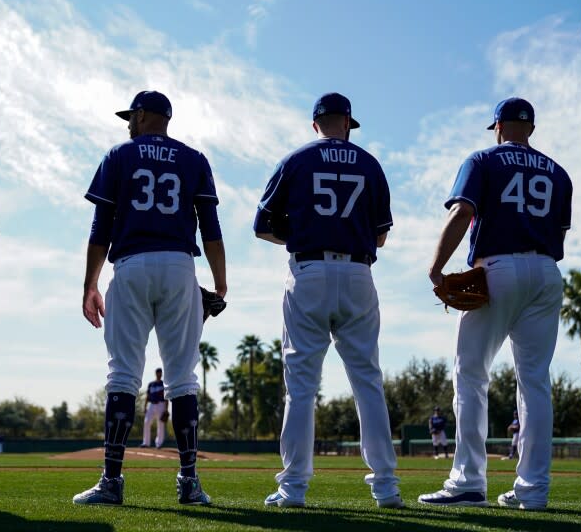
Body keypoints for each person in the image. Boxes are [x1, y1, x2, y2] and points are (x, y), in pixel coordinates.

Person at [73, 90, 227, 507]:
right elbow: (210, 228)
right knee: (183, 378)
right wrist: (220, 282)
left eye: (131, 115)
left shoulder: (119, 154)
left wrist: (90, 283)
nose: (128, 122)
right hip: (180, 268)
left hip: (132, 265)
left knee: (123, 374)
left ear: (142, 116)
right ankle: (190, 483)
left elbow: (100, 227)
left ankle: (111, 482)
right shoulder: (194, 158)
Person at [418, 97, 572, 511]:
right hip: (547, 272)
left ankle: (468, 481)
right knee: (535, 382)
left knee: (470, 373)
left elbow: (462, 211)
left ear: (498, 126)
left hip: (498, 267)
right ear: (532, 129)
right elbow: (558, 233)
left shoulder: (483, 159)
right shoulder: (559, 173)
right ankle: (533, 489)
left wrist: (436, 269)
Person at [253, 92, 403, 509]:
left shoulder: (296, 160)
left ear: (314, 122)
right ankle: (386, 487)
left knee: (300, 387)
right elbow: (380, 236)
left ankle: (293, 489)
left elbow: (262, 226)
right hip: (358, 272)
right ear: (348, 122)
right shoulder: (370, 163)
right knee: (367, 382)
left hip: (309, 271)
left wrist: (303, 234)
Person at [140, 368, 169, 448]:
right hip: (152, 404)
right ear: (156, 374)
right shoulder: (151, 384)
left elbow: (166, 397)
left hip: (161, 404)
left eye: (160, 373)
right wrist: (145, 406)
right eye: (158, 373)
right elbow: (147, 396)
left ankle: (159, 443)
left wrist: (166, 409)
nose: (159, 374)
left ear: (161, 374)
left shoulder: (163, 384)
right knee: (147, 422)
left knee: (160, 424)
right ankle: (146, 443)